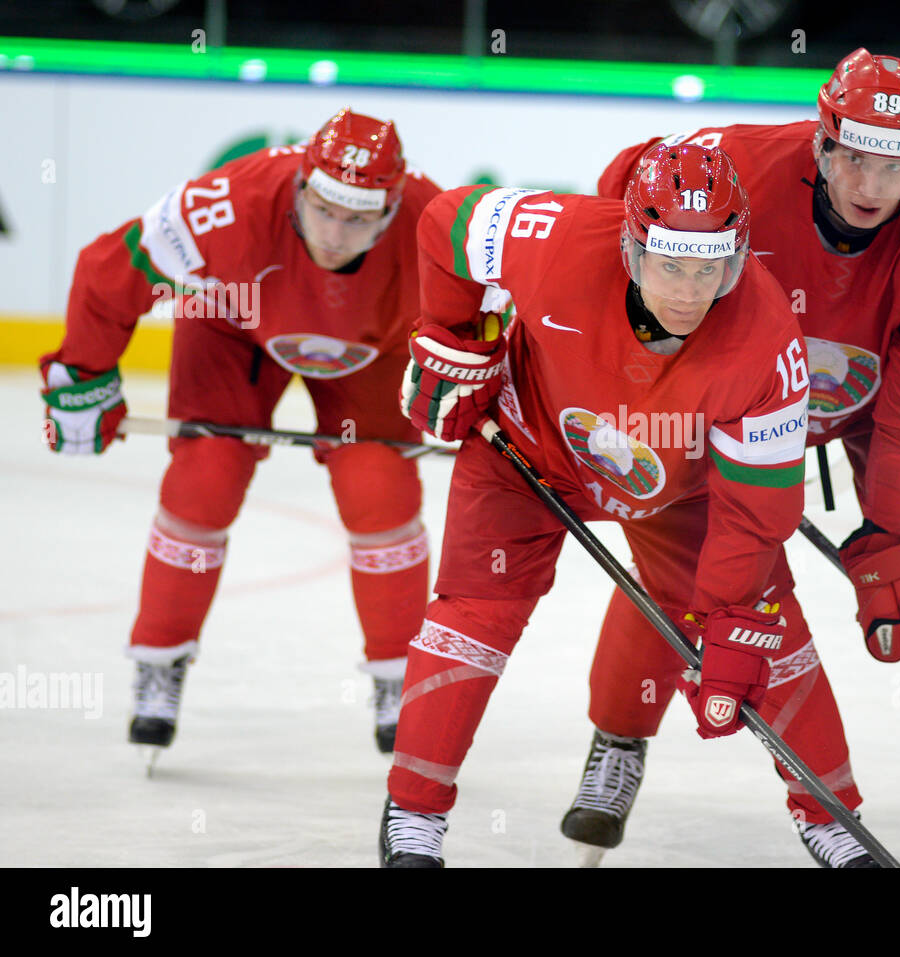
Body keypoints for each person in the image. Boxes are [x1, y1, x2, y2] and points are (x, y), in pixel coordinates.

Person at [568, 48, 900, 867]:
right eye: (855, 157)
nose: (871, 186)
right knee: (676, 569)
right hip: (736, 388)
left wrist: (888, 532)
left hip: (889, 393)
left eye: (896, 167)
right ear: (824, 140)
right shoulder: (731, 164)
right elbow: (616, 206)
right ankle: (618, 740)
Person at [378, 143, 855, 868]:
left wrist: (726, 615)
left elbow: (755, 513)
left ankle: (832, 817)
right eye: (671, 265)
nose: (691, 292)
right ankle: (413, 812)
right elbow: (447, 220)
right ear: (632, 249)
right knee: (472, 617)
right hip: (524, 451)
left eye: (711, 269)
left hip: (677, 485)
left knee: (766, 623)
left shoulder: (767, 341)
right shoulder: (557, 238)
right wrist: (453, 338)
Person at [40, 109, 443, 756]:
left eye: (360, 217)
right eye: (324, 209)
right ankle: (160, 657)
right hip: (234, 323)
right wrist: (82, 374)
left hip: (376, 345)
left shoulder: (436, 228)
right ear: (300, 188)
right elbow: (111, 267)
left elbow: (493, 326)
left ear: (393, 210)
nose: (336, 234)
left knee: (379, 487)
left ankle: (401, 675)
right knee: (206, 474)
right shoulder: (227, 205)